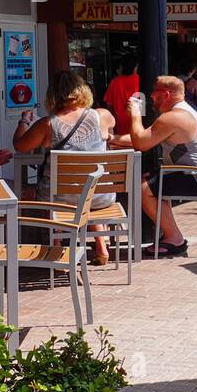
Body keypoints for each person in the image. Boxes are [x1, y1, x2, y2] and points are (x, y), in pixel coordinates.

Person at [111, 75, 197, 258]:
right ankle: (171, 235)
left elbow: (140, 142)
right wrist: (112, 140)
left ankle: (174, 238)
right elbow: (146, 137)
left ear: (166, 94)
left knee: (143, 186)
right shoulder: (179, 113)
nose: (151, 96)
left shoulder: (174, 117)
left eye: (155, 92)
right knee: (150, 181)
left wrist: (135, 114)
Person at [13, 70, 117, 263]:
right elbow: (113, 123)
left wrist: (25, 120)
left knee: (54, 194)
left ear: (53, 95)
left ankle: (59, 249)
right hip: (101, 196)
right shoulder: (101, 116)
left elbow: (19, 145)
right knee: (87, 191)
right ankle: (101, 246)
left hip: (59, 199)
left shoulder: (47, 124)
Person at [103, 56, 139, 136]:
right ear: (135, 67)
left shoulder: (114, 82)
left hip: (119, 123)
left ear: (122, 67)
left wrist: (112, 120)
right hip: (137, 120)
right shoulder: (139, 80)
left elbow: (109, 105)